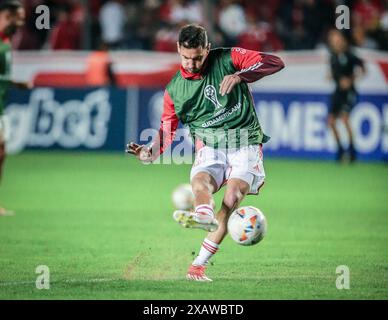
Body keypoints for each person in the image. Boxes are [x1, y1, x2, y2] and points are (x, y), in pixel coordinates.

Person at [127, 24, 284, 281]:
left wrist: (241, 75)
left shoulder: (227, 58)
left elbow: (274, 61)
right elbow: (166, 131)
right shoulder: (174, 91)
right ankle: (203, 215)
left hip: (244, 141)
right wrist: (149, 154)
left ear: (207, 50)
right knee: (200, 182)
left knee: (232, 197)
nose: (191, 63)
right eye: (186, 57)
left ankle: (197, 265)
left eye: (198, 57)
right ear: (178, 49)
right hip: (209, 146)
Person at [0, 0, 31, 216]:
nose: (21, 22)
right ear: (7, 15)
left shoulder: (6, 41)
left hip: (2, 106)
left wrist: (15, 83)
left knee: (2, 152)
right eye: (19, 17)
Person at [327, 29, 366, 162]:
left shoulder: (350, 55)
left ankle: (352, 151)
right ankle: (340, 150)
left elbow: (363, 68)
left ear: (342, 40)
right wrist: (332, 77)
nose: (334, 41)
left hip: (349, 93)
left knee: (344, 118)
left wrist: (351, 79)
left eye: (336, 38)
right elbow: (334, 74)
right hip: (337, 92)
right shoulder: (332, 56)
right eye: (332, 39)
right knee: (331, 122)